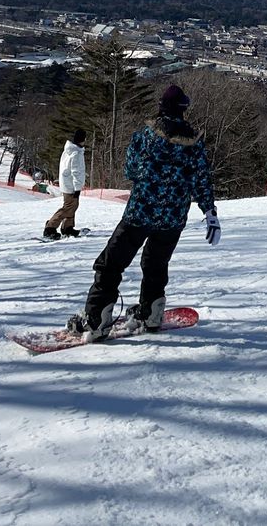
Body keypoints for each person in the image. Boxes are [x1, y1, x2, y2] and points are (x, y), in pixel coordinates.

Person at [67, 84, 221, 342]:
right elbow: (201, 180)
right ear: (183, 109)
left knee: (111, 264)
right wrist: (210, 212)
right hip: (173, 217)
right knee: (156, 264)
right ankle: (151, 312)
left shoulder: (145, 136)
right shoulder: (194, 144)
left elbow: (130, 170)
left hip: (141, 212)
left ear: (161, 107)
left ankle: (97, 319)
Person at [43, 128, 87, 239]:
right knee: (68, 207)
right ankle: (50, 227)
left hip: (67, 183)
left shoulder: (69, 150)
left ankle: (68, 227)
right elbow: (76, 171)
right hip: (71, 185)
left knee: (73, 206)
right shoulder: (76, 153)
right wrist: (77, 187)